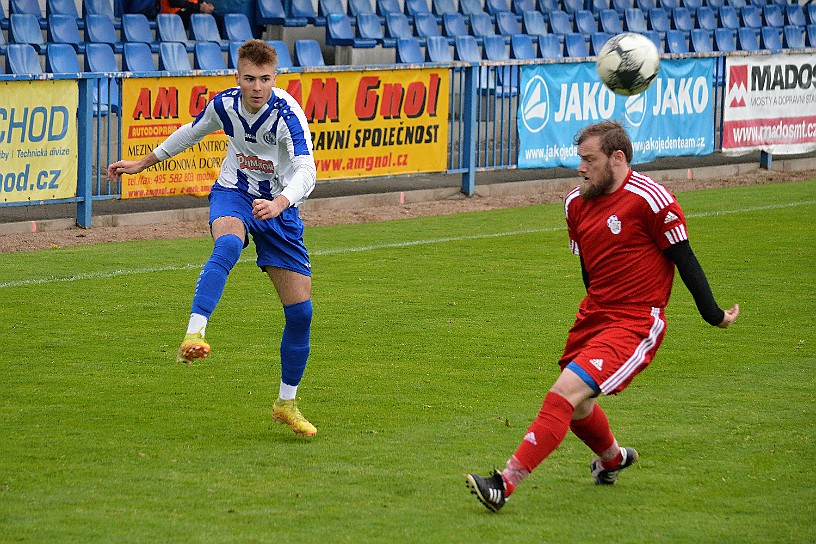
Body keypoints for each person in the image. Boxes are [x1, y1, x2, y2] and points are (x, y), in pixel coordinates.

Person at [465, 120, 740, 512]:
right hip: (595, 314)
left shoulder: (652, 199)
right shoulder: (574, 204)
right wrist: (595, 308)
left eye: (588, 160)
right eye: (580, 159)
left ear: (618, 158)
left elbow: (686, 260)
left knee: (564, 394)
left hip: (635, 322)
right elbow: (588, 269)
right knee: (577, 407)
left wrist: (714, 316)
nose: (580, 168)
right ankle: (612, 460)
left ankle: (504, 483)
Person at [107, 39, 319, 437]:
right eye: (249, 78)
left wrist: (280, 202)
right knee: (227, 244)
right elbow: (190, 133)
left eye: (265, 79)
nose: (257, 86)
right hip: (234, 193)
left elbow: (307, 170)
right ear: (237, 77)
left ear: (275, 79)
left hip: (279, 206)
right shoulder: (224, 104)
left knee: (301, 314)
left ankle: (286, 403)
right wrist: (142, 163)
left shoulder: (287, 113)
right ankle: (195, 332)